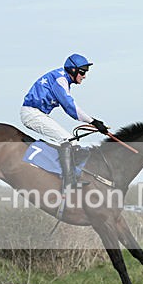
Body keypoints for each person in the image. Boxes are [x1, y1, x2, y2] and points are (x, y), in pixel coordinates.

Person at [21, 53, 109, 188]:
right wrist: (93, 121)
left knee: (71, 141)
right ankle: (69, 182)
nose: (84, 76)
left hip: (37, 113)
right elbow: (70, 107)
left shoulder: (62, 78)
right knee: (67, 140)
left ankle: (66, 174)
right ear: (73, 70)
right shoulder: (60, 80)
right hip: (32, 113)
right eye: (82, 72)